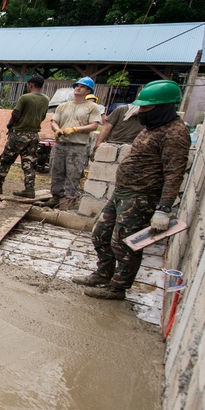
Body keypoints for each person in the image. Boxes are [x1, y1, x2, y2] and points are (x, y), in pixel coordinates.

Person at [74, 80, 191, 300]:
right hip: (122, 193)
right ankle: (103, 273)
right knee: (100, 234)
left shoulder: (175, 134)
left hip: (141, 198)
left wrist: (163, 209)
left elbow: (174, 174)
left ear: (164, 106)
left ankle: (118, 288)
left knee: (125, 245)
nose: (141, 112)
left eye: (146, 108)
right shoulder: (152, 127)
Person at [40, 76, 101, 209]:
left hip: (77, 146)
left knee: (73, 174)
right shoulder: (63, 106)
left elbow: (94, 126)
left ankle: (71, 200)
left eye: (82, 87)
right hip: (61, 144)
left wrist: (75, 129)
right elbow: (54, 122)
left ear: (88, 90)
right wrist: (57, 130)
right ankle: (55, 197)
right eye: (77, 86)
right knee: (56, 171)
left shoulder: (91, 107)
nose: (78, 88)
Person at [0, 75, 50, 198]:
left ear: (31, 85)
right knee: (29, 163)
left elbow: (16, 113)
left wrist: (10, 125)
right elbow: (43, 116)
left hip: (20, 133)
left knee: (6, 160)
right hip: (33, 134)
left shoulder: (25, 98)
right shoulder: (46, 99)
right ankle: (29, 189)